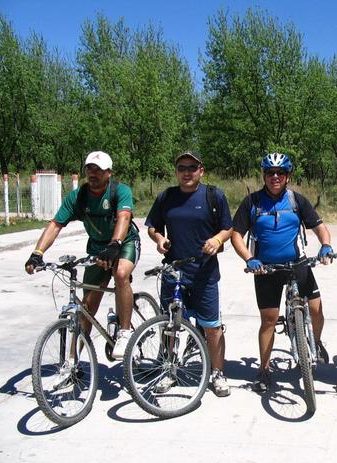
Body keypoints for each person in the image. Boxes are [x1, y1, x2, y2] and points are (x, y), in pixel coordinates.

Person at [231, 153, 334, 392]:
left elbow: (319, 227)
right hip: (266, 269)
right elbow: (237, 235)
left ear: (287, 176)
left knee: (317, 311)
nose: (275, 177)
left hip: (298, 264)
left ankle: (316, 343)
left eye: (280, 173)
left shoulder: (297, 200)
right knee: (268, 320)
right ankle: (264, 370)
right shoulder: (252, 202)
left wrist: (326, 244)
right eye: (270, 173)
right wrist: (250, 258)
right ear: (264, 176)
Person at [25, 151, 140, 359]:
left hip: (125, 243)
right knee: (86, 307)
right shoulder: (78, 196)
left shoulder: (120, 191)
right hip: (97, 248)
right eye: (89, 169)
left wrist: (115, 244)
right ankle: (73, 362)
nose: (93, 173)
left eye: (98, 169)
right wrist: (37, 252)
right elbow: (55, 224)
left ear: (109, 173)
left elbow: (124, 217)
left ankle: (125, 331)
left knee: (121, 274)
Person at [145, 151, 233, 397]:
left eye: (192, 167)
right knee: (170, 326)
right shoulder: (166, 197)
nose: (186, 172)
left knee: (212, 328)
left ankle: (217, 373)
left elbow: (228, 227)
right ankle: (170, 370)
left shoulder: (213, 196)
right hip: (173, 273)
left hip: (204, 274)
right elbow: (152, 225)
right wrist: (159, 238)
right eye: (182, 167)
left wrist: (217, 239)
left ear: (201, 171)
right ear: (176, 171)